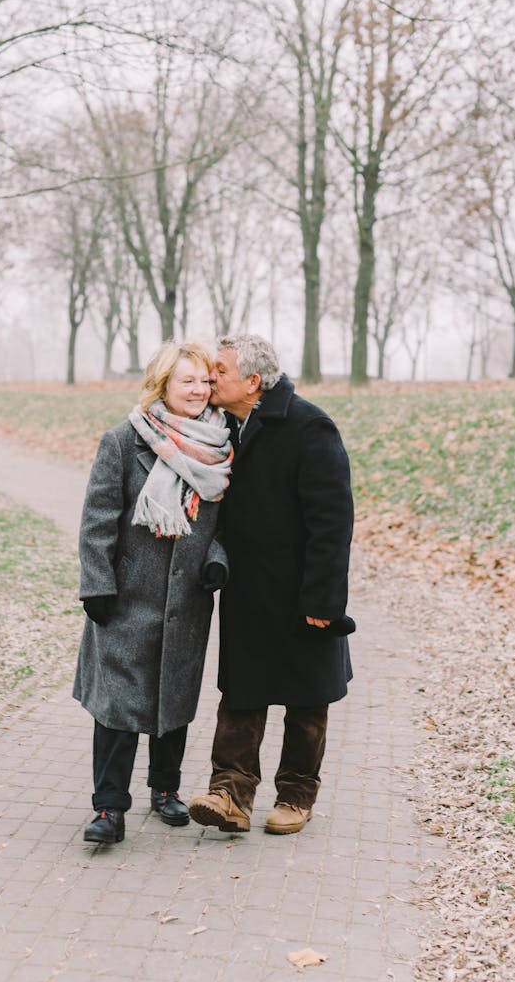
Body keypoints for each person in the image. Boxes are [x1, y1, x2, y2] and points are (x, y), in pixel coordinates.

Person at [189, 334, 354, 836]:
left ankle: (296, 797)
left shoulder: (309, 426)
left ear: (253, 381)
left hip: (303, 592)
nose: (209, 377)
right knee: (242, 694)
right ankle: (230, 795)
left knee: (306, 701)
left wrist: (324, 598)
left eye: (219, 370)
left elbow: (333, 520)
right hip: (248, 592)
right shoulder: (223, 428)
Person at [74, 341, 232, 845]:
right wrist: (97, 585)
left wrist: (217, 560)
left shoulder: (222, 446)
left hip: (186, 599)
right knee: (118, 707)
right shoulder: (123, 440)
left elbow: (230, 523)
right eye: (188, 380)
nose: (199, 390)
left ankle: (165, 791)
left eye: (205, 381)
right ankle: (108, 808)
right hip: (124, 598)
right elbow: (97, 519)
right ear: (162, 383)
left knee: (173, 701)